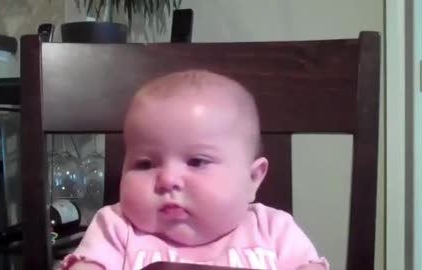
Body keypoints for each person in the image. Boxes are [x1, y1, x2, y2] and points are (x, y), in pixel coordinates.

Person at [60, 70, 329, 270]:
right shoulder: (116, 227)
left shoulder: (274, 230)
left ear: (253, 179)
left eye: (197, 162)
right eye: (144, 164)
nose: (167, 180)